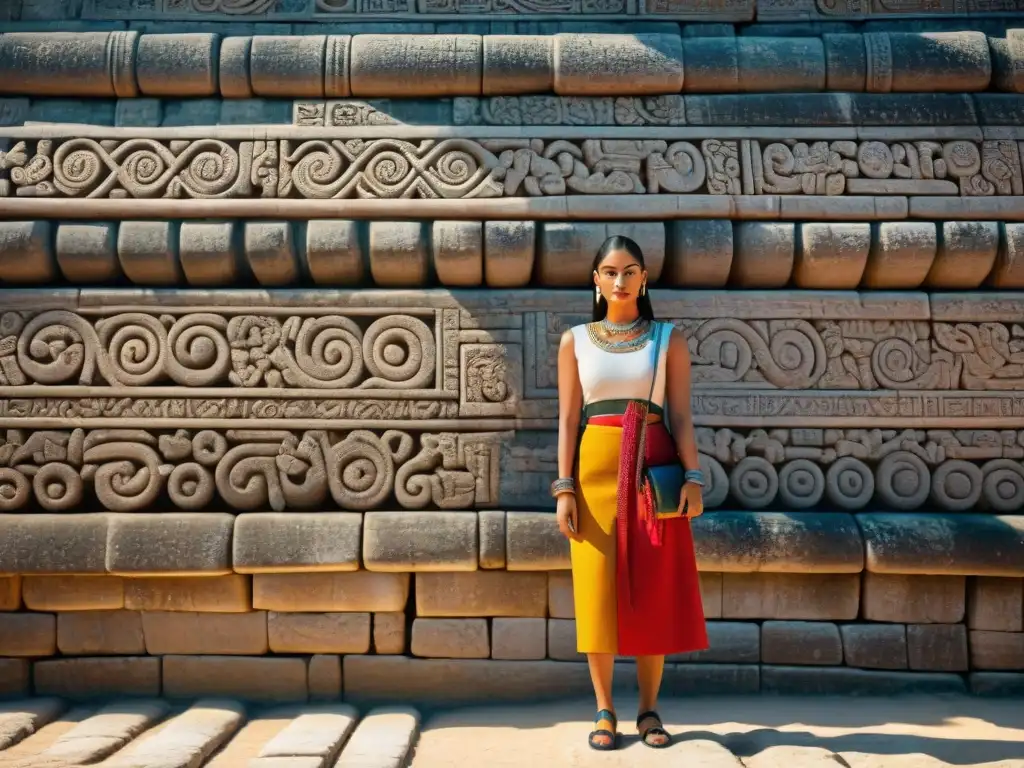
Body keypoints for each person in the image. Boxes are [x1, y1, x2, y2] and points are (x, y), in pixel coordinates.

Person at [551, 235, 709, 751]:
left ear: (645, 280)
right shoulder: (574, 340)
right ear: (595, 279)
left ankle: (648, 708)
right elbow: (569, 419)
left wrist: (693, 477)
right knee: (596, 590)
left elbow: (681, 415)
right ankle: (604, 708)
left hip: (652, 468)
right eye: (611, 271)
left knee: (652, 589)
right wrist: (564, 487)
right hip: (593, 469)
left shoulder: (669, 339)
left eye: (631, 271)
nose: (620, 281)